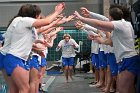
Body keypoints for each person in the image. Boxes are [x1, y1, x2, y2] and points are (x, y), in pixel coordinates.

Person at [74, 5, 140, 93]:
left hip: (128, 59)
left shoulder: (120, 24)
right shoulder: (124, 24)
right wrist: (99, 39)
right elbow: (110, 42)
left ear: (111, 17)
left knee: (122, 89)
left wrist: (81, 18)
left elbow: (99, 24)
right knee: (128, 88)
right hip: (127, 59)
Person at [2, 3, 65, 93]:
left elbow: (27, 41)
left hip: (13, 57)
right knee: (24, 88)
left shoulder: (25, 26)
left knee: (15, 89)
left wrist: (38, 46)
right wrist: (57, 11)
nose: (39, 18)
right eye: (38, 15)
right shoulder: (23, 20)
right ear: (34, 15)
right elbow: (46, 22)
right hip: (14, 57)